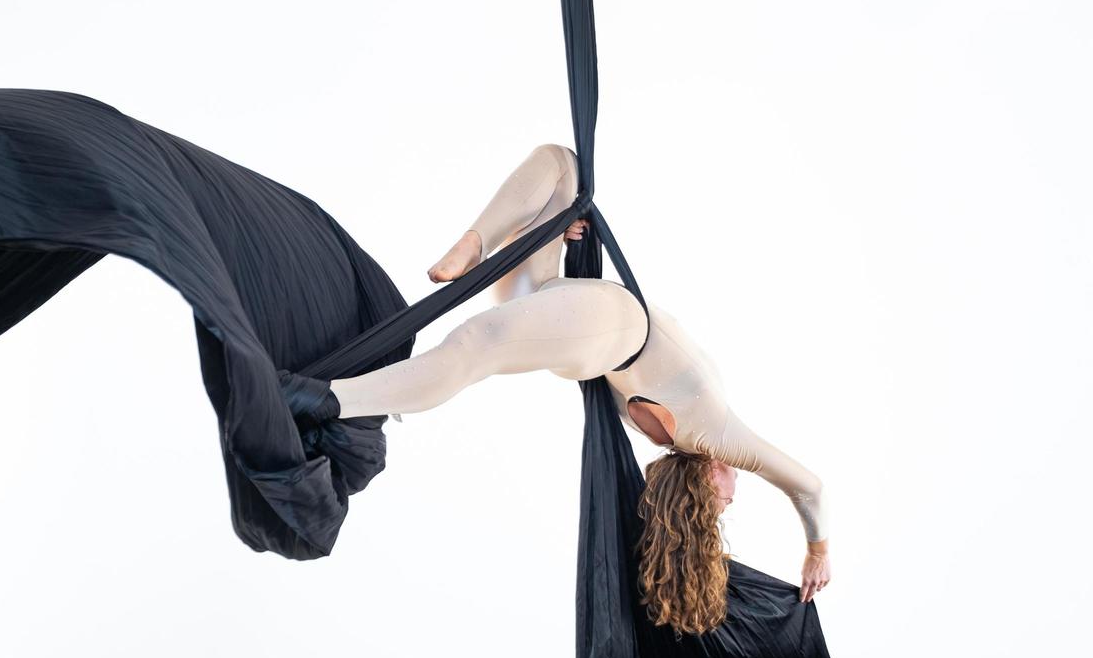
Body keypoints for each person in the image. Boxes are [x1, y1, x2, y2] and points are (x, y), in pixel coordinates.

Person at [294, 142, 832, 627]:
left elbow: (808, 485)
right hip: (566, 299)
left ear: (706, 487)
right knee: (562, 166)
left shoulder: (713, 436)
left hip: (611, 326)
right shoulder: (696, 430)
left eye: (724, 506)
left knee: (476, 344)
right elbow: (807, 486)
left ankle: (332, 399)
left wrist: (818, 551)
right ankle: (473, 246)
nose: (734, 494)